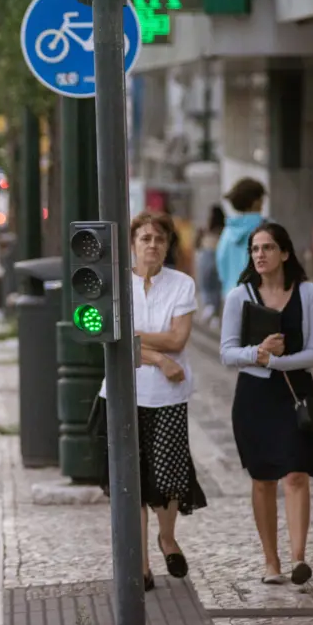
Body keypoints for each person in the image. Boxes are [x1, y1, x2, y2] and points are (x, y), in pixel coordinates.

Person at [97, 210, 207, 592]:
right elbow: (114, 342)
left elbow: (179, 339)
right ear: (132, 244)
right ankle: (141, 565)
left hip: (168, 396)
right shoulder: (116, 285)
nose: (152, 246)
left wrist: (135, 337)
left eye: (159, 239)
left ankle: (167, 538)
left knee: (169, 477)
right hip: (123, 395)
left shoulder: (181, 284)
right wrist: (158, 356)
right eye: (145, 238)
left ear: (167, 246)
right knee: (133, 483)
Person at [219, 221, 313, 587]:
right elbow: (227, 353)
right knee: (263, 478)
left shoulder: (309, 293)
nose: (259, 255)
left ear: (284, 253)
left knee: (296, 474)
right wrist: (259, 353)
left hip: (297, 394)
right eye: (254, 249)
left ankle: (299, 559)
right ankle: (271, 562)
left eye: (267, 248)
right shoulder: (240, 296)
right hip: (254, 398)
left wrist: (275, 362)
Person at [216, 178, 267, 294]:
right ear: (255, 202)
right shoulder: (267, 228)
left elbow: (221, 264)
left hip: (232, 294)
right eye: (261, 199)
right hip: (260, 296)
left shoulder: (228, 231)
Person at [195, 205, 226, 322]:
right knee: (217, 287)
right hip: (219, 258)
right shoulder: (224, 230)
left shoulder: (206, 230)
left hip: (206, 256)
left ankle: (208, 306)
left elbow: (197, 245)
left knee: (205, 284)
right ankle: (216, 315)